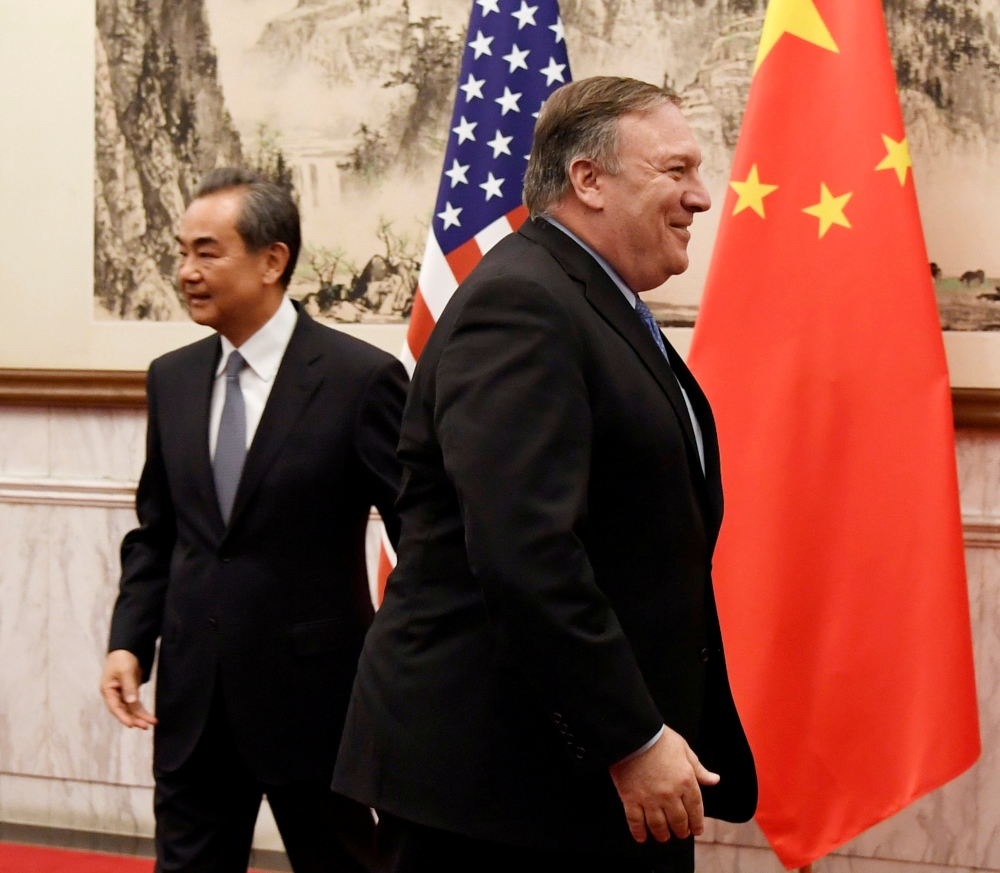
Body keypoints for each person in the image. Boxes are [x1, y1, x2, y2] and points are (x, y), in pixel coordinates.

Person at [332, 77, 758, 872]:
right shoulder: (524, 306)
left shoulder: (594, 299)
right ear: (588, 180)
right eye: (677, 170)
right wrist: (629, 735)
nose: (702, 197)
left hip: (569, 780)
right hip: (501, 788)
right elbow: (526, 554)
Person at [100, 168, 408, 873]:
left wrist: (404, 667)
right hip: (193, 700)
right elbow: (159, 530)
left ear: (273, 260)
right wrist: (128, 641)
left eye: (208, 252)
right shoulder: (171, 378)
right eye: (180, 252)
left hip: (316, 701)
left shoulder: (359, 378)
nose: (186, 271)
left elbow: (421, 534)